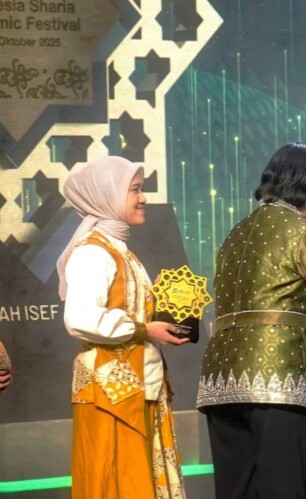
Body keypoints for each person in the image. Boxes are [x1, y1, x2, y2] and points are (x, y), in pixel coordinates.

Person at [196, 142, 306, 499]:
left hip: (221, 382)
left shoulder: (235, 234)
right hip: (280, 379)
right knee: (285, 488)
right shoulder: (304, 231)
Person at [57, 156, 188, 499]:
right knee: (114, 483)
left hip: (135, 386)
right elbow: (80, 317)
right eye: (135, 190)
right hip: (110, 393)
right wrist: (145, 330)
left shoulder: (122, 251)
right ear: (107, 195)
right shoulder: (92, 253)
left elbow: (127, 309)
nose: (143, 198)